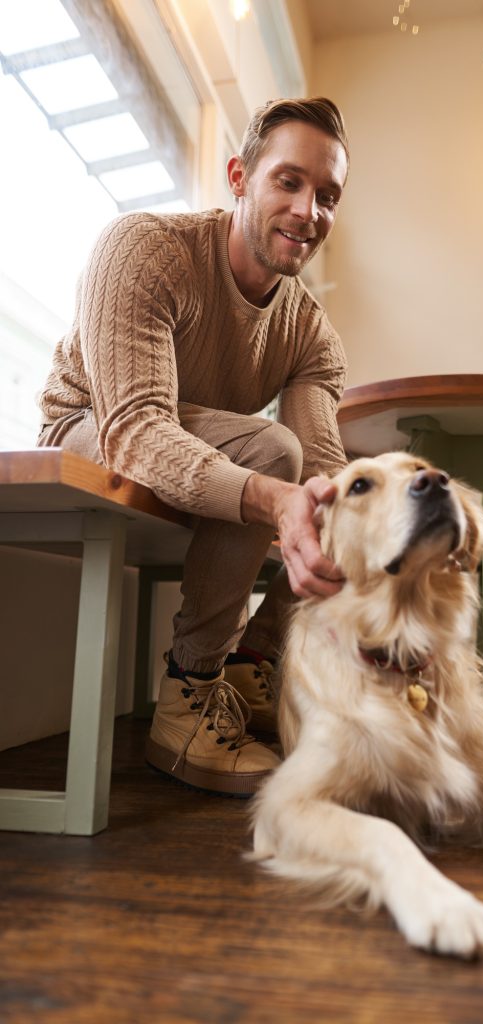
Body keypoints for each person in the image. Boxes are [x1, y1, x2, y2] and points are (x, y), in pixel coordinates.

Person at [36, 97, 350, 796]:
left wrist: (358, 521)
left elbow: (321, 464)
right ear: (239, 177)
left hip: (187, 441)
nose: (309, 212)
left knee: (330, 493)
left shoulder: (313, 334)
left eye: (328, 195)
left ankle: (254, 661)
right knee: (269, 457)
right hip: (90, 422)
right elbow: (137, 428)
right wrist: (272, 496)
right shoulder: (145, 248)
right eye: (289, 182)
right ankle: (187, 700)